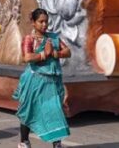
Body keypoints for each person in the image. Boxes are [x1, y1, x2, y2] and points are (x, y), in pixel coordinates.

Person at [13, 8, 71, 148]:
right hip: (35, 80)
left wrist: (56, 53)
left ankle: (57, 143)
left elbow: (67, 51)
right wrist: (44, 54)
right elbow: (27, 57)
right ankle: (24, 141)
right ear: (33, 22)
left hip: (52, 82)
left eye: (46, 22)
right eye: (41, 22)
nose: (44, 25)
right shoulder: (30, 39)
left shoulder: (53, 37)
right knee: (29, 111)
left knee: (54, 111)